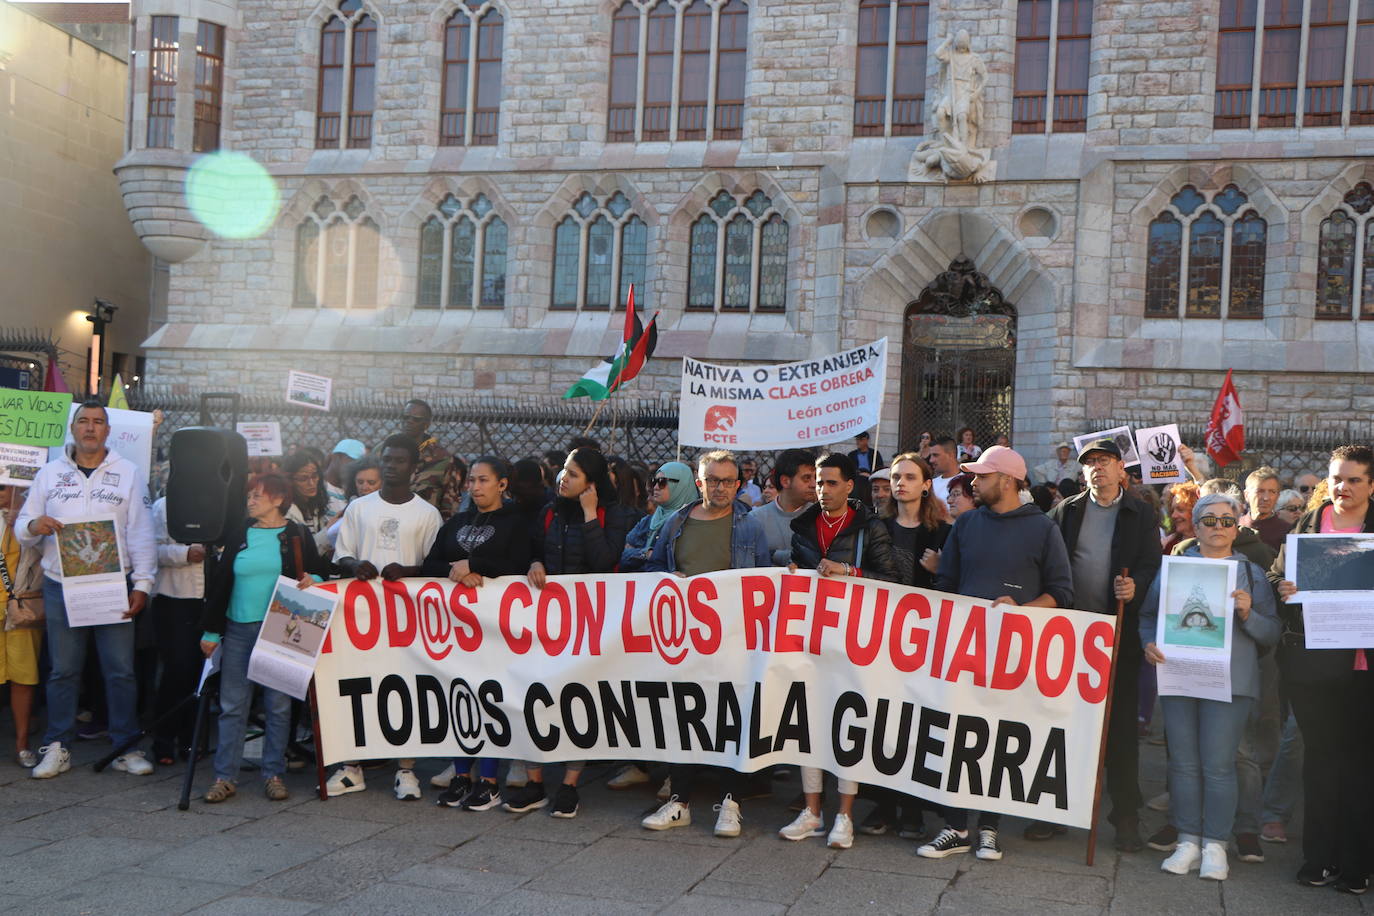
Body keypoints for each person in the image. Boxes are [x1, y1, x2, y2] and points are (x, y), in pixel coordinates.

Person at [918, 445, 1073, 861]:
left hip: (1014, 655)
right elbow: (946, 586)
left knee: (999, 739)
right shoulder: (966, 525)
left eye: (982, 476)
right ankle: (955, 826)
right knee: (955, 736)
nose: (973, 482)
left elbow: (1062, 592)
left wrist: (1020, 611)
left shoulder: (1042, 528)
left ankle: (989, 826)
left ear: (1006, 480)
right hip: (962, 651)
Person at [1026, 438, 1161, 851]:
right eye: (1089, 463)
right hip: (1069, 635)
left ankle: (1125, 816)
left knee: (1118, 729)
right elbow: (1046, 558)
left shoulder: (1140, 513)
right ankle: (1056, 810)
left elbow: (1151, 562)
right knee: (1063, 725)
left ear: (1121, 469)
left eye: (1104, 462)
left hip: (1116, 635)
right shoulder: (1066, 511)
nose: (1096, 469)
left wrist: (1134, 587)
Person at [1141, 492, 1280, 881]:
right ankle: (1188, 839)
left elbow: (1271, 632)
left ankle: (1216, 845)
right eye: (1209, 519)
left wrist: (1249, 613)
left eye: (1226, 520)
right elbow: (1149, 616)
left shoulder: (1251, 572)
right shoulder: (1175, 567)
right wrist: (1147, 644)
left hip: (1231, 682)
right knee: (1183, 764)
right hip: (1180, 675)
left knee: (1219, 766)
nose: (1218, 527)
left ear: (1237, 527)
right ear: (1196, 526)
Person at [21, 400, 157, 780]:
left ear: (108, 432)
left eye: (98, 422)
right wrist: (35, 525)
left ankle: (125, 747)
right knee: (63, 670)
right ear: (74, 428)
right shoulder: (49, 474)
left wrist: (143, 584)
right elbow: (22, 526)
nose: (91, 428)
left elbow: (142, 533)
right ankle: (58, 746)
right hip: (61, 585)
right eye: (84, 421)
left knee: (120, 671)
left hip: (113, 584)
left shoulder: (128, 473)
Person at [641, 450, 770, 837]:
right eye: (713, 480)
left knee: (730, 719)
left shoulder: (750, 526)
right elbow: (651, 569)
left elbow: (763, 580)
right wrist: (667, 579)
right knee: (684, 717)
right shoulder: (677, 521)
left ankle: (730, 803)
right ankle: (679, 801)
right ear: (699, 482)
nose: (721, 487)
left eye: (728, 480)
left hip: (733, 641)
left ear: (738, 483)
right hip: (683, 640)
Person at [509, 447, 635, 818]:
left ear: (591, 485)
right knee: (531, 695)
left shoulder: (614, 516)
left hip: (588, 626)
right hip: (545, 623)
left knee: (577, 702)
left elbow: (603, 561)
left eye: (574, 474)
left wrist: (588, 515)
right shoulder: (549, 513)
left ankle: (569, 785)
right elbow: (532, 549)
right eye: (564, 470)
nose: (564, 478)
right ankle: (535, 782)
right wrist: (534, 561)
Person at [1270, 445, 1374, 894]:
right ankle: (1319, 858)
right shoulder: (1309, 526)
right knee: (1321, 762)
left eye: (1353, 479)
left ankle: (1357, 863)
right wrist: (1284, 586)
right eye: (1336, 478)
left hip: (1365, 670)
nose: (1342, 487)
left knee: (1361, 765)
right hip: (1315, 666)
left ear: (1371, 485)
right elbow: (1276, 576)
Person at [779, 452, 896, 850]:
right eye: (817, 483)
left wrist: (849, 573)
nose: (822, 490)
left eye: (830, 483)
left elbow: (893, 580)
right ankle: (812, 812)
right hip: (811, 638)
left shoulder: (870, 527)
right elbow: (795, 568)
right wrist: (790, 572)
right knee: (808, 721)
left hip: (854, 640)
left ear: (849, 486)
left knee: (850, 724)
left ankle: (844, 815)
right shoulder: (804, 525)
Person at [198, 473, 328, 803]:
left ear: (278, 500)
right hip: (239, 629)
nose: (250, 501)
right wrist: (212, 631)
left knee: (279, 706)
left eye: (257, 496)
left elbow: (317, 571)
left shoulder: (296, 534)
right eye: (250, 496)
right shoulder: (240, 532)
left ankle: (273, 773)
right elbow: (221, 583)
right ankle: (224, 776)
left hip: (281, 629)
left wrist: (312, 578)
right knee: (232, 705)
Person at [327, 434, 443, 800]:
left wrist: (407, 571)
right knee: (357, 686)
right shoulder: (360, 508)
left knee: (405, 689)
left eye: (399, 460)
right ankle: (351, 768)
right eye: (387, 459)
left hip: (405, 619)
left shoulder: (427, 514)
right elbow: (342, 554)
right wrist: (355, 565)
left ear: (413, 466)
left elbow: (433, 568)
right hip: (361, 617)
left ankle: (406, 770)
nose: (392, 466)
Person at [421, 457, 531, 811]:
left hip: (497, 630)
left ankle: (489, 780)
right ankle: (461, 775)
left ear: (502, 484)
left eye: (484, 480)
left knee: (491, 699)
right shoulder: (456, 522)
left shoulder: (517, 523)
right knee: (459, 697)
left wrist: (477, 566)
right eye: (471, 480)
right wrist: (456, 570)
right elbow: (430, 565)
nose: (475, 487)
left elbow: (518, 565)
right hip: (456, 629)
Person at [862, 452, 949, 840]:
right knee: (881, 720)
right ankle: (883, 805)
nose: (900, 483)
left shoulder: (942, 533)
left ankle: (912, 809)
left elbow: (956, 590)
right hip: (881, 634)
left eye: (910, 477)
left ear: (926, 484)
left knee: (917, 722)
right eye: (896, 476)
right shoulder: (875, 527)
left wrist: (938, 571)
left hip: (925, 640)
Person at [148, 494, 206, 766]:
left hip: (210, 598)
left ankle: (192, 739)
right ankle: (164, 738)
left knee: (202, 674)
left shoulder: (223, 504)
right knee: (177, 670)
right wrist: (184, 554)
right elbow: (151, 551)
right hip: (174, 597)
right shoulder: (164, 506)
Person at [0, 486, 43, 768]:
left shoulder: (33, 515)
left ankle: (22, 745)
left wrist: (26, 528)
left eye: (3, 487)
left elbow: (48, 553)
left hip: (22, 607)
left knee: (24, 678)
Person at [620, 461, 696, 574]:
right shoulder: (648, 520)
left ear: (681, 485)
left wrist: (638, 553)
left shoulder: (692, 521)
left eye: (662, 482)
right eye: (653, 481)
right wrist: (647, 553)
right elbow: (623, 556)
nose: (655, 487)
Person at [399, 398, 465, 519]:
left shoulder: (443, 459)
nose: (409, 421)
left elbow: (449, 505)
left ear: (426, 424)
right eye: (405, 417)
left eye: (416, 419)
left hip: (424, 527)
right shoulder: (385, 451)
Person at [750, 449, 817, 566]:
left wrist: (775, 555)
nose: (813, 484)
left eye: (815, 478)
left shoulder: (822, 517)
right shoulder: (755, 519)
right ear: (785, 481)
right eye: (806, 478)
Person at [283, 450, 335, 547]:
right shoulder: (287, 511)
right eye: (303, 478)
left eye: (314, 476)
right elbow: (305, 551)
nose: (311, 483)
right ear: (290, 481)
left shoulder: (315, 506)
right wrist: (328, 529)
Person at [1240, 467, 1288, 553]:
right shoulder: (1234, 526)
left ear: (1278, 497)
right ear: (1246, 495)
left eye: (1272, 492)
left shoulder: (1287, 532)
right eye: (1260, 491)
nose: (1266, 498)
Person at [321, 439, 367, 509]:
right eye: (352, 461)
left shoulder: (354, 494)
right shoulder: (316, 486)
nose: (354, 468)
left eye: (358, 464)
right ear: (336, 456)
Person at [1162, 481, 1200, 554]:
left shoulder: (1209, 545)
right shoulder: (1168, 545)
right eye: (1172, 510)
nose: (1173, 515)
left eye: (1180, 510)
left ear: (1196, 511)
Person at [928, 436, 961, 505]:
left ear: (951, 455)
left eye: (935, 455)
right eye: (930, 456)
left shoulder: (966, 483)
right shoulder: (930, 485)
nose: (931, 460)